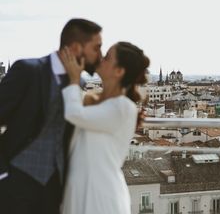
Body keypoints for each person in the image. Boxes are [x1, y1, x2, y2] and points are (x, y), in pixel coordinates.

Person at [0, 18, 102, 214]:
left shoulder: (76, 84)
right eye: (96, 48)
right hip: (14, 184)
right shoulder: (28, 70)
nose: (100, 55)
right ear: (75, 48)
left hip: (54, 191)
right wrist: (2, 174)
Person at [60, 42, 150, 214]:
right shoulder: (94, 101)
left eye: (108, 57)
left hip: (101, 196)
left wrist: (73, 79)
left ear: (119, 71)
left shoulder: (123, 107)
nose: (101, 58)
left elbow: (74, 114)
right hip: (80, 191)